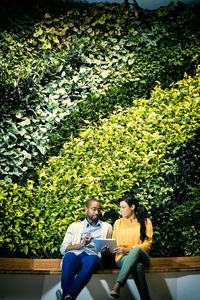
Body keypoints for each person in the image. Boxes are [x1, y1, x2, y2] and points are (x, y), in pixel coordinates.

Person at [56, 198, 112, 300]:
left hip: (92, 255)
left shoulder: (107, 227)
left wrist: (105, 252)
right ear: (86, 209)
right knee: (68, 257)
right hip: (76, 254)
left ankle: (66, 296)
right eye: (94, 209)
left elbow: (110, 248)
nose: (96, 212)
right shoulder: (74, 226)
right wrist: (82, 244)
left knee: (93, 260)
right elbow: (63, 248)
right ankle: (69, 297)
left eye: (98, 210)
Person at [110, 193, 153, 300]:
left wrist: (128, 249)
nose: (121, 210)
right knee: (137, 266)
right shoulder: (118, 223)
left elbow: (147, 244)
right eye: (120, 208)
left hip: (142, 256)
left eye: (123, 207)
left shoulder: (146, 222)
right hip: (122, 258)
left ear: (132, 207)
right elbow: (114, 243)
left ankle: (117, 285)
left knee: (136, 250)